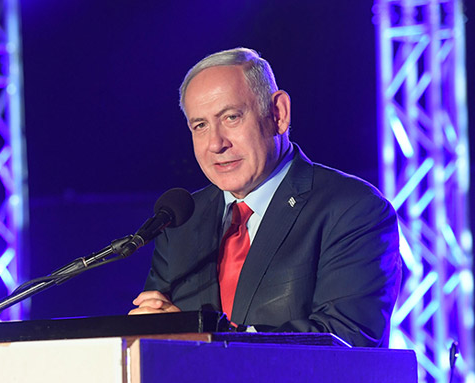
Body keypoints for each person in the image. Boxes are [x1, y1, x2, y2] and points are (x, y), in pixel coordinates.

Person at [129, 47, 401, 348]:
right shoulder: (181, 221)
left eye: (231, 117)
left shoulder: (352, 209)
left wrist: (206, 338)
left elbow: (346, 338)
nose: (216, 143)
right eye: (200, 126)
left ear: (278, 114)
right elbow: (155, 334)